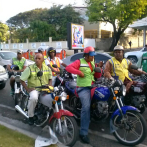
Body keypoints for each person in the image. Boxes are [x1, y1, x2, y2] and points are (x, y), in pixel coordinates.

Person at [65, 46, 97, 144]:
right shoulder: (80, 61)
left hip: (93, 85)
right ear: (86, 55)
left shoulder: (92, 61)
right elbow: (68, 67)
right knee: (86, 108)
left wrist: (98, 69)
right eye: (91, 56)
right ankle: (83, 133)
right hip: (83, 88)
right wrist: (79, 72)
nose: (92, 57)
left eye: (93, 56)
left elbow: (95, 75)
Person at [20, 53, 52, 125]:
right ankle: (30, 117)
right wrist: (27, 89)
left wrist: (49, 85)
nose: (37, 60)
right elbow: (21, 80)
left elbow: (50, 78)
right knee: (34, 98)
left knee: (54, 97)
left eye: (39, 58)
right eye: (36, 58)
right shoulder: (30, 68)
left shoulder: (47, 68)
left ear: (43, 60)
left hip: (45, 89)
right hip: (35, 89)